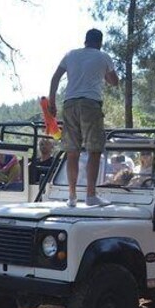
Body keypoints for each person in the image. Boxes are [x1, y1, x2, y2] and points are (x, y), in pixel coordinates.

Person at [48, 28, 119, 207]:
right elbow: (114, 81)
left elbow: (55, 78)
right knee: (94, 150)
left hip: (69, 103)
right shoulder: (103, 57)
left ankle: (71, 197)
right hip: (90, 104)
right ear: (100, 42)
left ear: (85, 40)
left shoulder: (71, 55)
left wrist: (52, 102)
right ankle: (90, 195)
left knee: (72, 152)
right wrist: (102, 72)